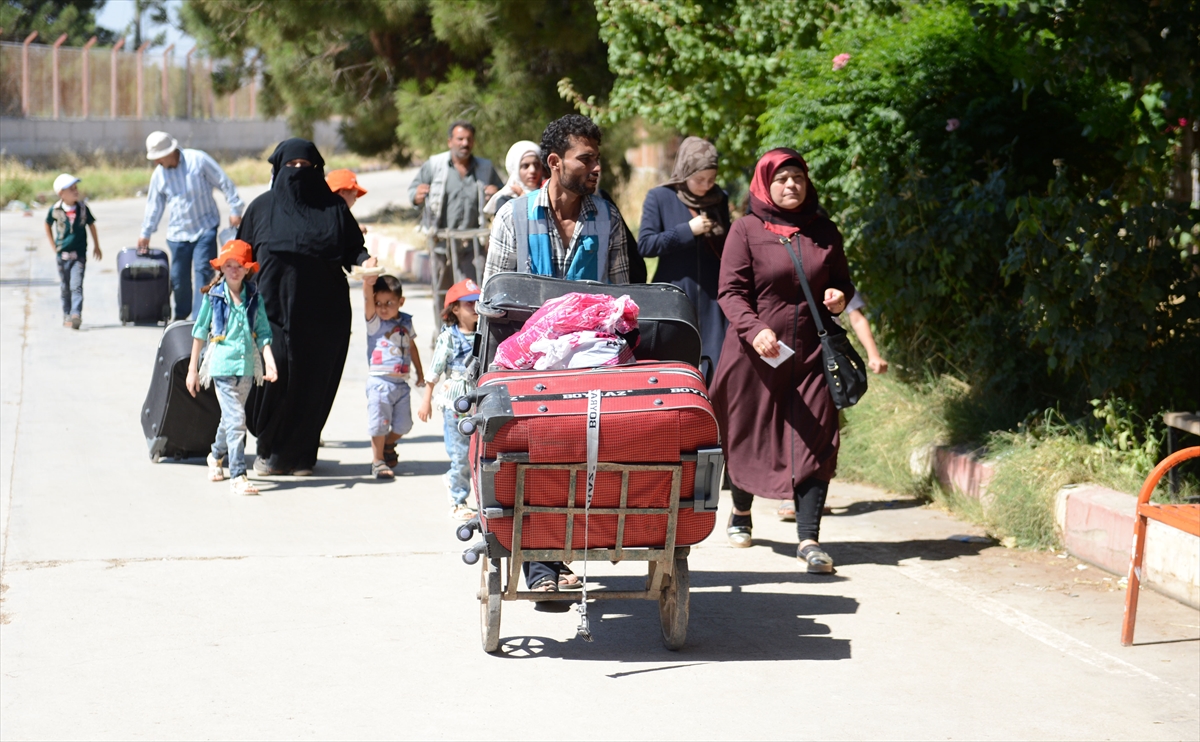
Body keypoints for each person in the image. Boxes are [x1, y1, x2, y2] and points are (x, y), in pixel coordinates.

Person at [484, 113, 630, 597]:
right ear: (554, 162)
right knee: (536, 456)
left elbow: (626, 297)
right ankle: (545, 565)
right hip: (531, 365)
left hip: (594, 364)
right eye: (585, 159)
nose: (595, 169)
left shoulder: (607, 218)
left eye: (598, 159)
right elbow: (494, 297)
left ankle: (562, 552)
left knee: (584, 454)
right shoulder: (513, 216)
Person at [710, 148, 854, 574]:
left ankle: (809, 539)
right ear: (764, 184)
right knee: (746, 434)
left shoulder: (824, 231)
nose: (792, 185)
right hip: (756, 354)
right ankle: (740, 511)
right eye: (782, 179)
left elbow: (843, 280)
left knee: (819, 436)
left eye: (798, 178)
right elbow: (730, 293)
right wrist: (755, 331)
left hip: (810, 354)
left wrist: (839, 296)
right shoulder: (746, 230)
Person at [236, 138, 376, 476]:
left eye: (306, 167)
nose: (298, 173)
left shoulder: (333, 210)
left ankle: (301, 454)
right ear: (277, 170)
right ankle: (267, 447)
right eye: (291, 167)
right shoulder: (261, 208)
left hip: (324, 315)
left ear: (318, 170)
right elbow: (241, 254)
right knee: (274, 375)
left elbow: (353, 251)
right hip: (271, 313)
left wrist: (367, 261)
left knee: (313, 384)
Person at [777, 288, 888, 522]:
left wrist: (873, 354)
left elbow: (856, 318)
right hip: (793, 362)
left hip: (828, 367)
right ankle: (790, 494)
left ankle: (816, 491)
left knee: (826, 432)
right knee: (795, 427)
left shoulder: (835, 280)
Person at [185, 240, 278, 496]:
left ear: (248, 268)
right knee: (238, 420)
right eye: (229, 265)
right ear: (222, 268)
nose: (234, 270)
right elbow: (200, 331)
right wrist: (193, 369)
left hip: (246, 366)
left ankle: (215, 456)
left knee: (230, 420)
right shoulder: (213, 297)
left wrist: (269, 362)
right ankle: (238, 475)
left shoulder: (254, 298)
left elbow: (263, 332)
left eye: (239, 265)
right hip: (221, 366)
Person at [637, 136, 730, 369]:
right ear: (684, 172)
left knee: (716, 366)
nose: (706, 185)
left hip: (713, 300)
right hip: (674, 298)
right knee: (676, 366)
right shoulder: (659, 197)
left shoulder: (719, 199)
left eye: (711, 179)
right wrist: (687, 231)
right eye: (699, 179)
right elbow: (646, 245)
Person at [138, 131, 244, 321]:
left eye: (158, 158)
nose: (156, 162)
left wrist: (235, 208)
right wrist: (146, 232)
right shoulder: (159, 175)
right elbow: (155, 205)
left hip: (205, 229)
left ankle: (198, 321)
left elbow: (223, 181)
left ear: (170, 151)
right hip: (177, 235)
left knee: (204, 274)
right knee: (179, 280)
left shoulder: (198, 161)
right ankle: (181, 316)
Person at [409, 121, 504, 323]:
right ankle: (442, 336)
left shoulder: (485, 168)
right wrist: (417, 196)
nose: (465, 143)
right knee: (441, 293)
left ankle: (471, 338)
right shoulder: (435, 165)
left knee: (473, 293)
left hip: (472, 245)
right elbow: (413, 191)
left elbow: (503, 196)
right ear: (450, 141)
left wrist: (495, 194)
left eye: (469, 139)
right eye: (460, 139)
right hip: (441, 243)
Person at [417, 278, 481, 521]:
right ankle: (457, 500)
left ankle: (479, 501)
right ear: (455, 309)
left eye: (478, 302)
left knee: (477, 454)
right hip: (455, 403)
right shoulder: (449, 338)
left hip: (478, 400)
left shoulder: (483, 335)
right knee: (460, 454)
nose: (475, 308)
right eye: (469, 304)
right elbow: (434, 371)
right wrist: (426, 400)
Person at [361, 274, 423, 479]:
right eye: (379, 303)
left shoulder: (406, 322)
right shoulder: (375, 322)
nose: (383, 308)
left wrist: (420, 372)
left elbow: (412, 348)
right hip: (380, 383)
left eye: (389, 303)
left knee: (404, 425)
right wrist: (367, 282)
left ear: (401, 302)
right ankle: (378, 460)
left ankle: (388, 443)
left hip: (401, 384)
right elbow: (368, 299)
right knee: (379, 423)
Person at [44, 173, 101, 329]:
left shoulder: (83, 208)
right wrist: (52, 244)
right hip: (62, 256)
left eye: (76, 188)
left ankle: (76, 314)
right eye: (71, 189)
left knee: (76, 285)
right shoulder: (55, 210)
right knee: (65, 287)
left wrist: (97, 245)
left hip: (79, 256)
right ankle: (67, 314)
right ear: (61, 193)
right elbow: (47, 224)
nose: (76, 191)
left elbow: (92, 225)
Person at [484, 140, 545, 217]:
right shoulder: (506, 201)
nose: (533, 170)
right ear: (515, 170)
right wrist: (524, 201)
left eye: (536, 165)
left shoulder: (547, 193)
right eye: (525, 166)